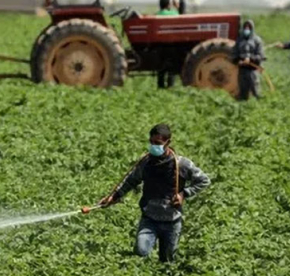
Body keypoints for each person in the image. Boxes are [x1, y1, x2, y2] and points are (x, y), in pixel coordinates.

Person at [99, 124, 210, 263]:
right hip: (149, 218)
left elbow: (204, 180)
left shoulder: (181, 164)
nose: (153, 146)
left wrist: (184, 194)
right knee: (141, 251)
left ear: (168, 142)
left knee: (167, 261)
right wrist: (114, 197)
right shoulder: (146, 162)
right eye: (151, 142)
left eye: (157, 143)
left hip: (172, 220)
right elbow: (130, 181)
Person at [232, 19, 265, 100]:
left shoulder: (257, 40)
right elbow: (234, 54)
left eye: (249, 28)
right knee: (243, 93)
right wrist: (237, 60)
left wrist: (250, 59)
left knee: (256, 92)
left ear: (252, 29)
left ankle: (260, 107)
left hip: (252, 70)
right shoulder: (239, 40)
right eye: (245, 28)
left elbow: (261, 56)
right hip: (242, 70)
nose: (247, 30)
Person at [156, 0, 179, 88]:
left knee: (161, 66)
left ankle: (160, 85)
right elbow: (178, 16)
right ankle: (170, 86)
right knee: (171, 65)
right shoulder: (172, 14)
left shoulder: (158, 14)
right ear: (168, 5)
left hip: (159, 44)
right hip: (171, 44)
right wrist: (177, 6)